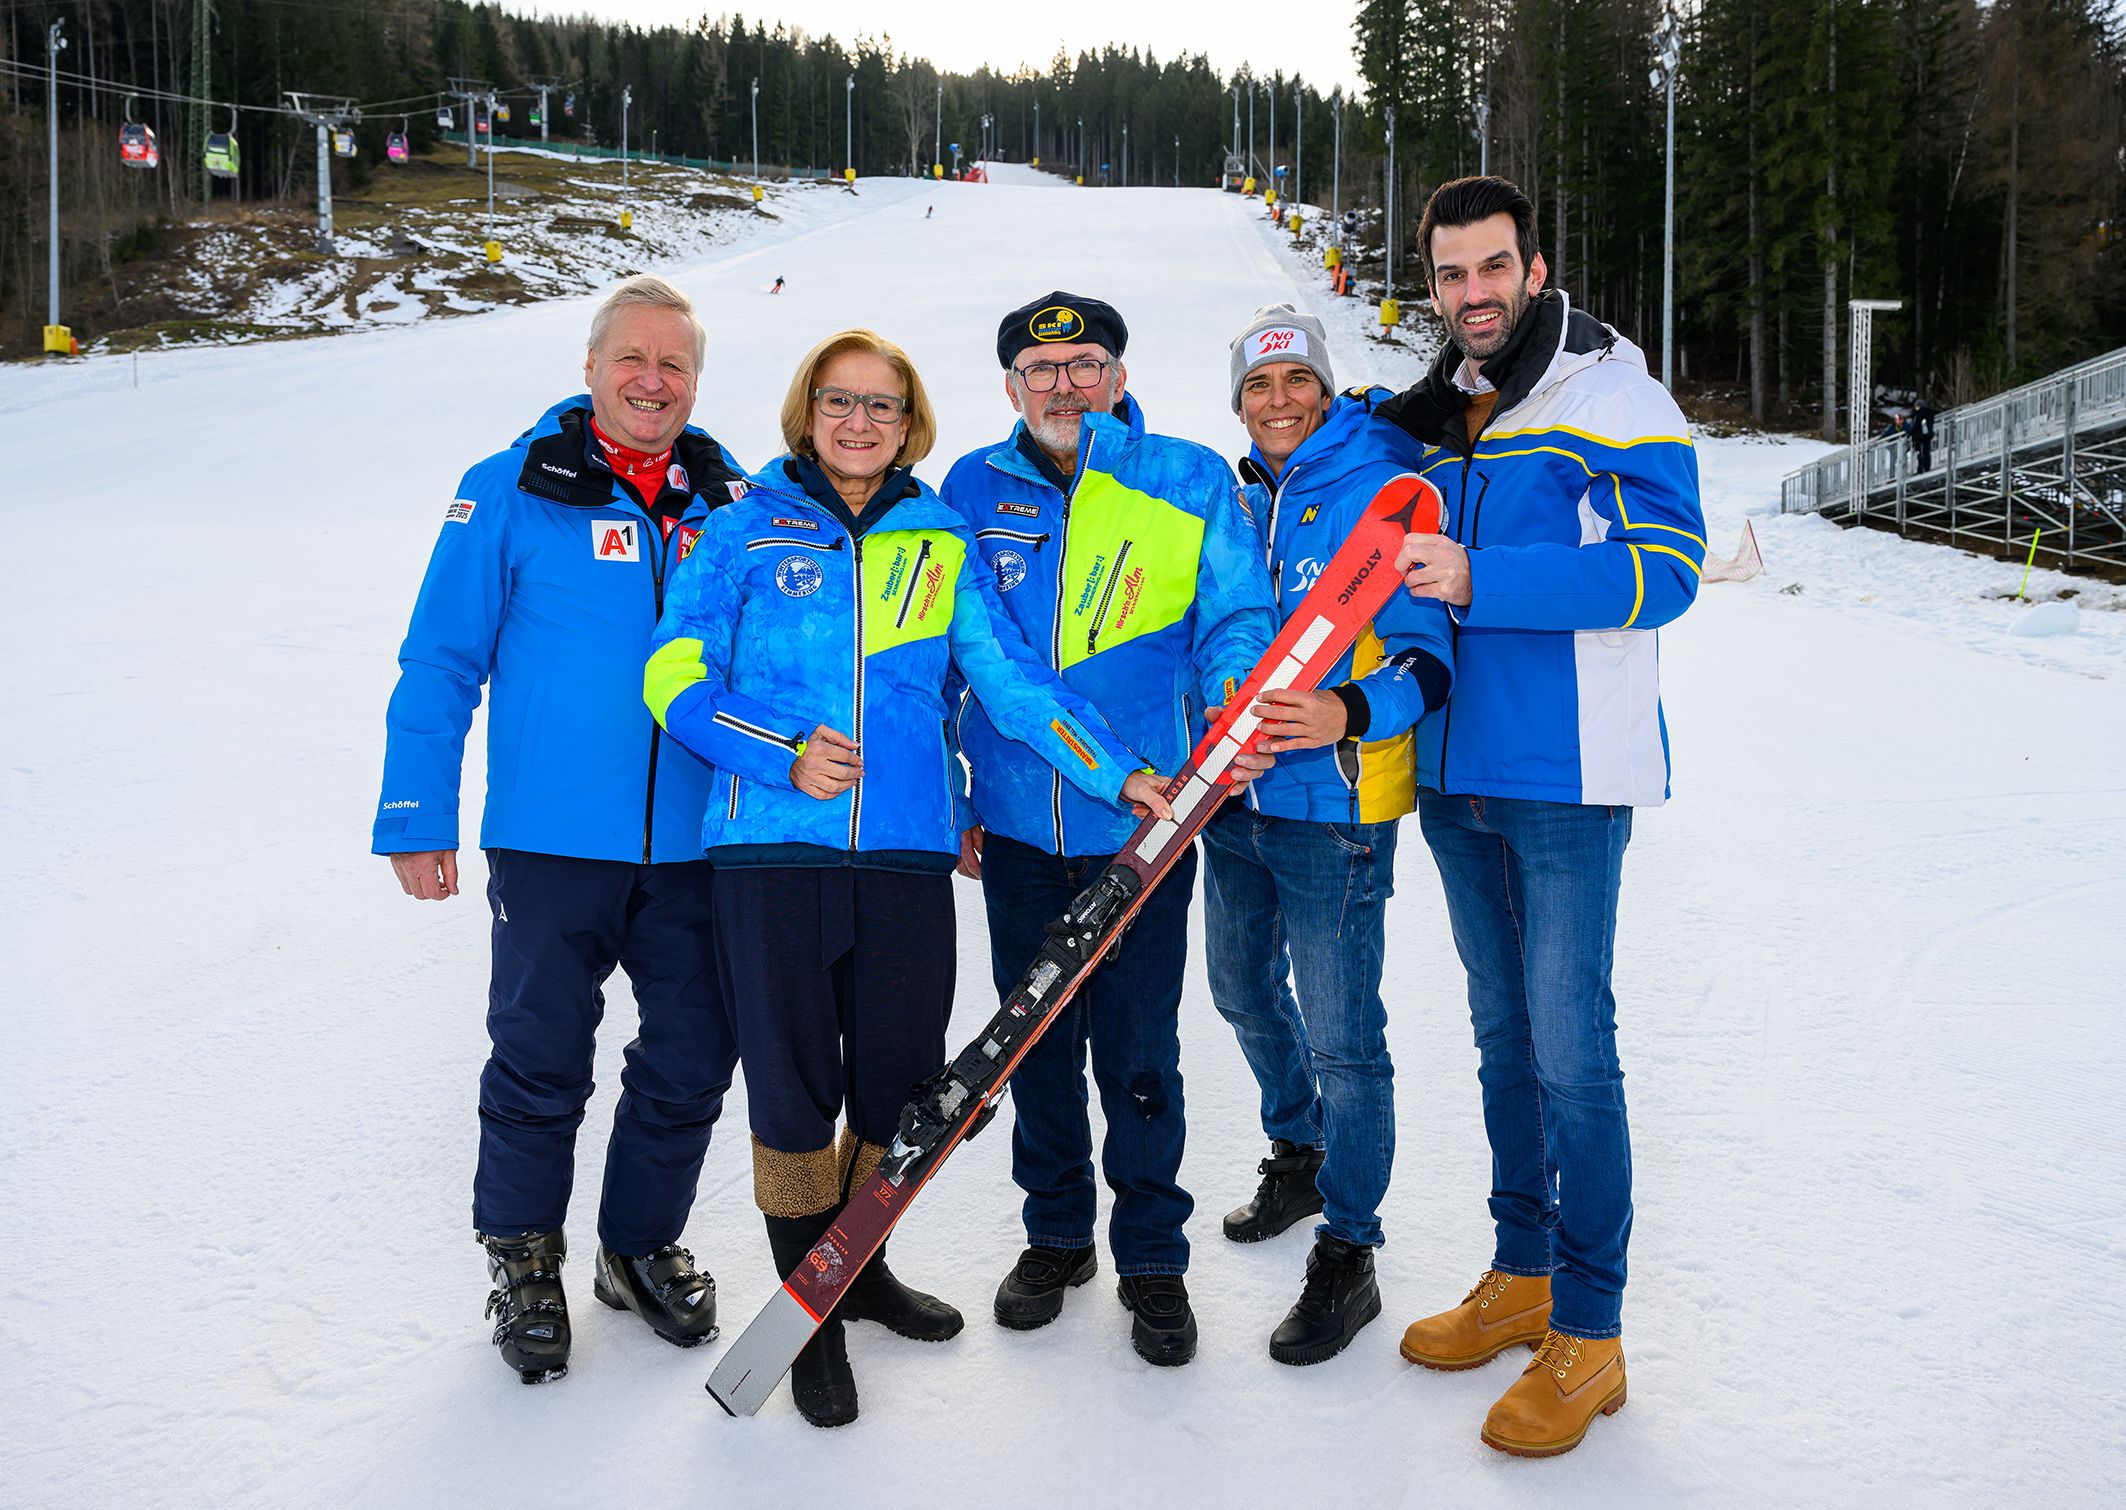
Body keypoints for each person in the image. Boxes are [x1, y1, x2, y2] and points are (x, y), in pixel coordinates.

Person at [644, 328, 1175, 1427]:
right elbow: (672, 670)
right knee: (792, 1088)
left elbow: (1005, 680)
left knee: (898, 1084)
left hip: (902, 853)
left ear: (909, 422)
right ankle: (812, 1316)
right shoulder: (742, 526)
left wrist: (1117, 771)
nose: (858, 422)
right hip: (769, 848)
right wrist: (771, 746)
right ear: (806, 412)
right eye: (838, 402)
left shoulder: (936, 535)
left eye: (881, 406)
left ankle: (860, 1263)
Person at [1378, 176, 1704, 1457]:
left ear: (1533, 265)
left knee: (1573, 1046)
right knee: (1501, 1033)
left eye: (1490, 268)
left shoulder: (1611, 393)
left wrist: (1480, 573)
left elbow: (1663, 570)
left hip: (1566, 774)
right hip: (1456, 771)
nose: (1469, 293)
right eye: (1449, 273)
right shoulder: (1450, 401)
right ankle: (1522, 1271)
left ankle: (1593, 1327)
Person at [373, 274, 747, 1384]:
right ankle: (525, 1258)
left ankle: (634, 1245)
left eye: (674, 364)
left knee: (691, 1056)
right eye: (632, 358)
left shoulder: (729, 506)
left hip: (697, 842)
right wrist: (414, 810)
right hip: (549, 842)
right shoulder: (507, 492)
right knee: (538, 1061)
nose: (652, 380)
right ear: (589, 369)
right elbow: (441, 660)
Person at [940, 292, 1277, 1368]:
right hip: (1018, 830)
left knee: (1138, 1052)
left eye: (1085, 365)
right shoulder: (969, 489)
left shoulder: (1182, 478)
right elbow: (966, 665)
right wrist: (958, 799)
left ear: (1118, 377)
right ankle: (1054, 1238)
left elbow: (1233, 617)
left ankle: (1149, 1255)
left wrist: (1224, 716)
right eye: (1039, 372)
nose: (1062, 387)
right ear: (1009, 389)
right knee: (1032, 1048)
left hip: (1147, 828)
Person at [1204, 305, 1454, 1365]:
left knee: (1347, 1037)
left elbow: (1425, 656)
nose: (1277, 402)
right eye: (1257, 388)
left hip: (1334, 812)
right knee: (1239, 990)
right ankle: (1297, 1147)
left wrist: (1349, 711)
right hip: (1233, 805)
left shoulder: (1379, 482)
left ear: (1321, 385)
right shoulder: (1227, 493)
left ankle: (1349, 1247)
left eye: (1294, 382)